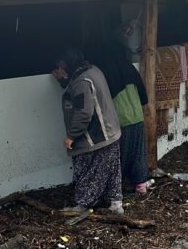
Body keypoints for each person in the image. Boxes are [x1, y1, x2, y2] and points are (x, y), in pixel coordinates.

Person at [52, 48, 124, 214]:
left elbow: (84, 112)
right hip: (111, 132)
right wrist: (64, 81)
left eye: (61, 66)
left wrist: (71, 136)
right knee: (112, 170)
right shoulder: (92, 69)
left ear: (68, 64)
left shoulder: (82, 82)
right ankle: (115, 204)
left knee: (87, 171)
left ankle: (83, 205)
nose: (60, 69)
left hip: (96, 137)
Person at [89, 42, 150, 194]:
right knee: (138, 151)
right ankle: (140, 184)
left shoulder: (103, 71)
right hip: (136, 115)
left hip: (119, 117)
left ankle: (116, 186)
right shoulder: (128, 66)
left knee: (119, 152)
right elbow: (143, 92)